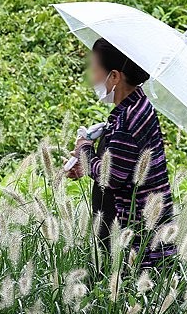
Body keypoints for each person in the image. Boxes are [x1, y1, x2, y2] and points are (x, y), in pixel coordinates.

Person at [68, 38, 176, 267]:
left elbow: (114, 177)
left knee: (133, 293)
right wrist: (87, 163)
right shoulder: (137, 106)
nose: (92, 76)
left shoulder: (129, 118)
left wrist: (84, 150)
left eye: (95, 69)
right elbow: (120, 160)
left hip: (138, 234)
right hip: (146, 225)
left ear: (115, 76)